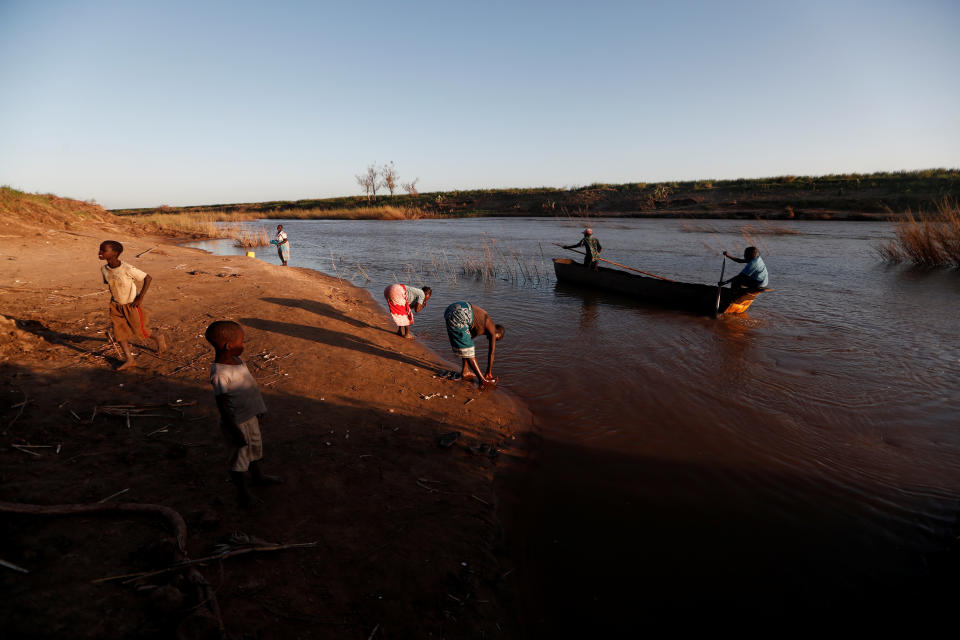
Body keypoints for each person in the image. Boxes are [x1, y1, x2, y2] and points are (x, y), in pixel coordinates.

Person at [205, 320, 282, 508]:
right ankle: (242, 494)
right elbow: (222, 406)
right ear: (229, 346)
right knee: (239, 459)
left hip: (250, 417)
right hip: (237, 423)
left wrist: (259, 408)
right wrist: (234, 430)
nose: (244, 345)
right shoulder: (220, 374)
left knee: (254, 448)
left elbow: (248, 388)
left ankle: (258, 476)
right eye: (242, 341)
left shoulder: (237, 361)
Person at [98, 240, 166, 371]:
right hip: (116, 306)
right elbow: (111, 285)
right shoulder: (104, 269)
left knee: (139, 330)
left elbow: (148, 278)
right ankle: (130, 359)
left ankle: (158, 337)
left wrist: (140, 298)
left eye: (103, 250)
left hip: (131, 305)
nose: (100, 253)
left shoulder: (127, 268)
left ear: (115, 253)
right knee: (119, 333)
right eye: (100, 250)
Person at [443, 301, 505, 389]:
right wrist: (488, 372)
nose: (493, 339)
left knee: (467, 347)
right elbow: (491, 353)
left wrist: (466, 366)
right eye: (496, 339)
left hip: (451, 310)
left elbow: (467, 343)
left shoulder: (481, 324)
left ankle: (465, 371)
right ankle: (483, 381)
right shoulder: (492, 328)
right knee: (469, 350)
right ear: (498, 333)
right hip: (461, 313)